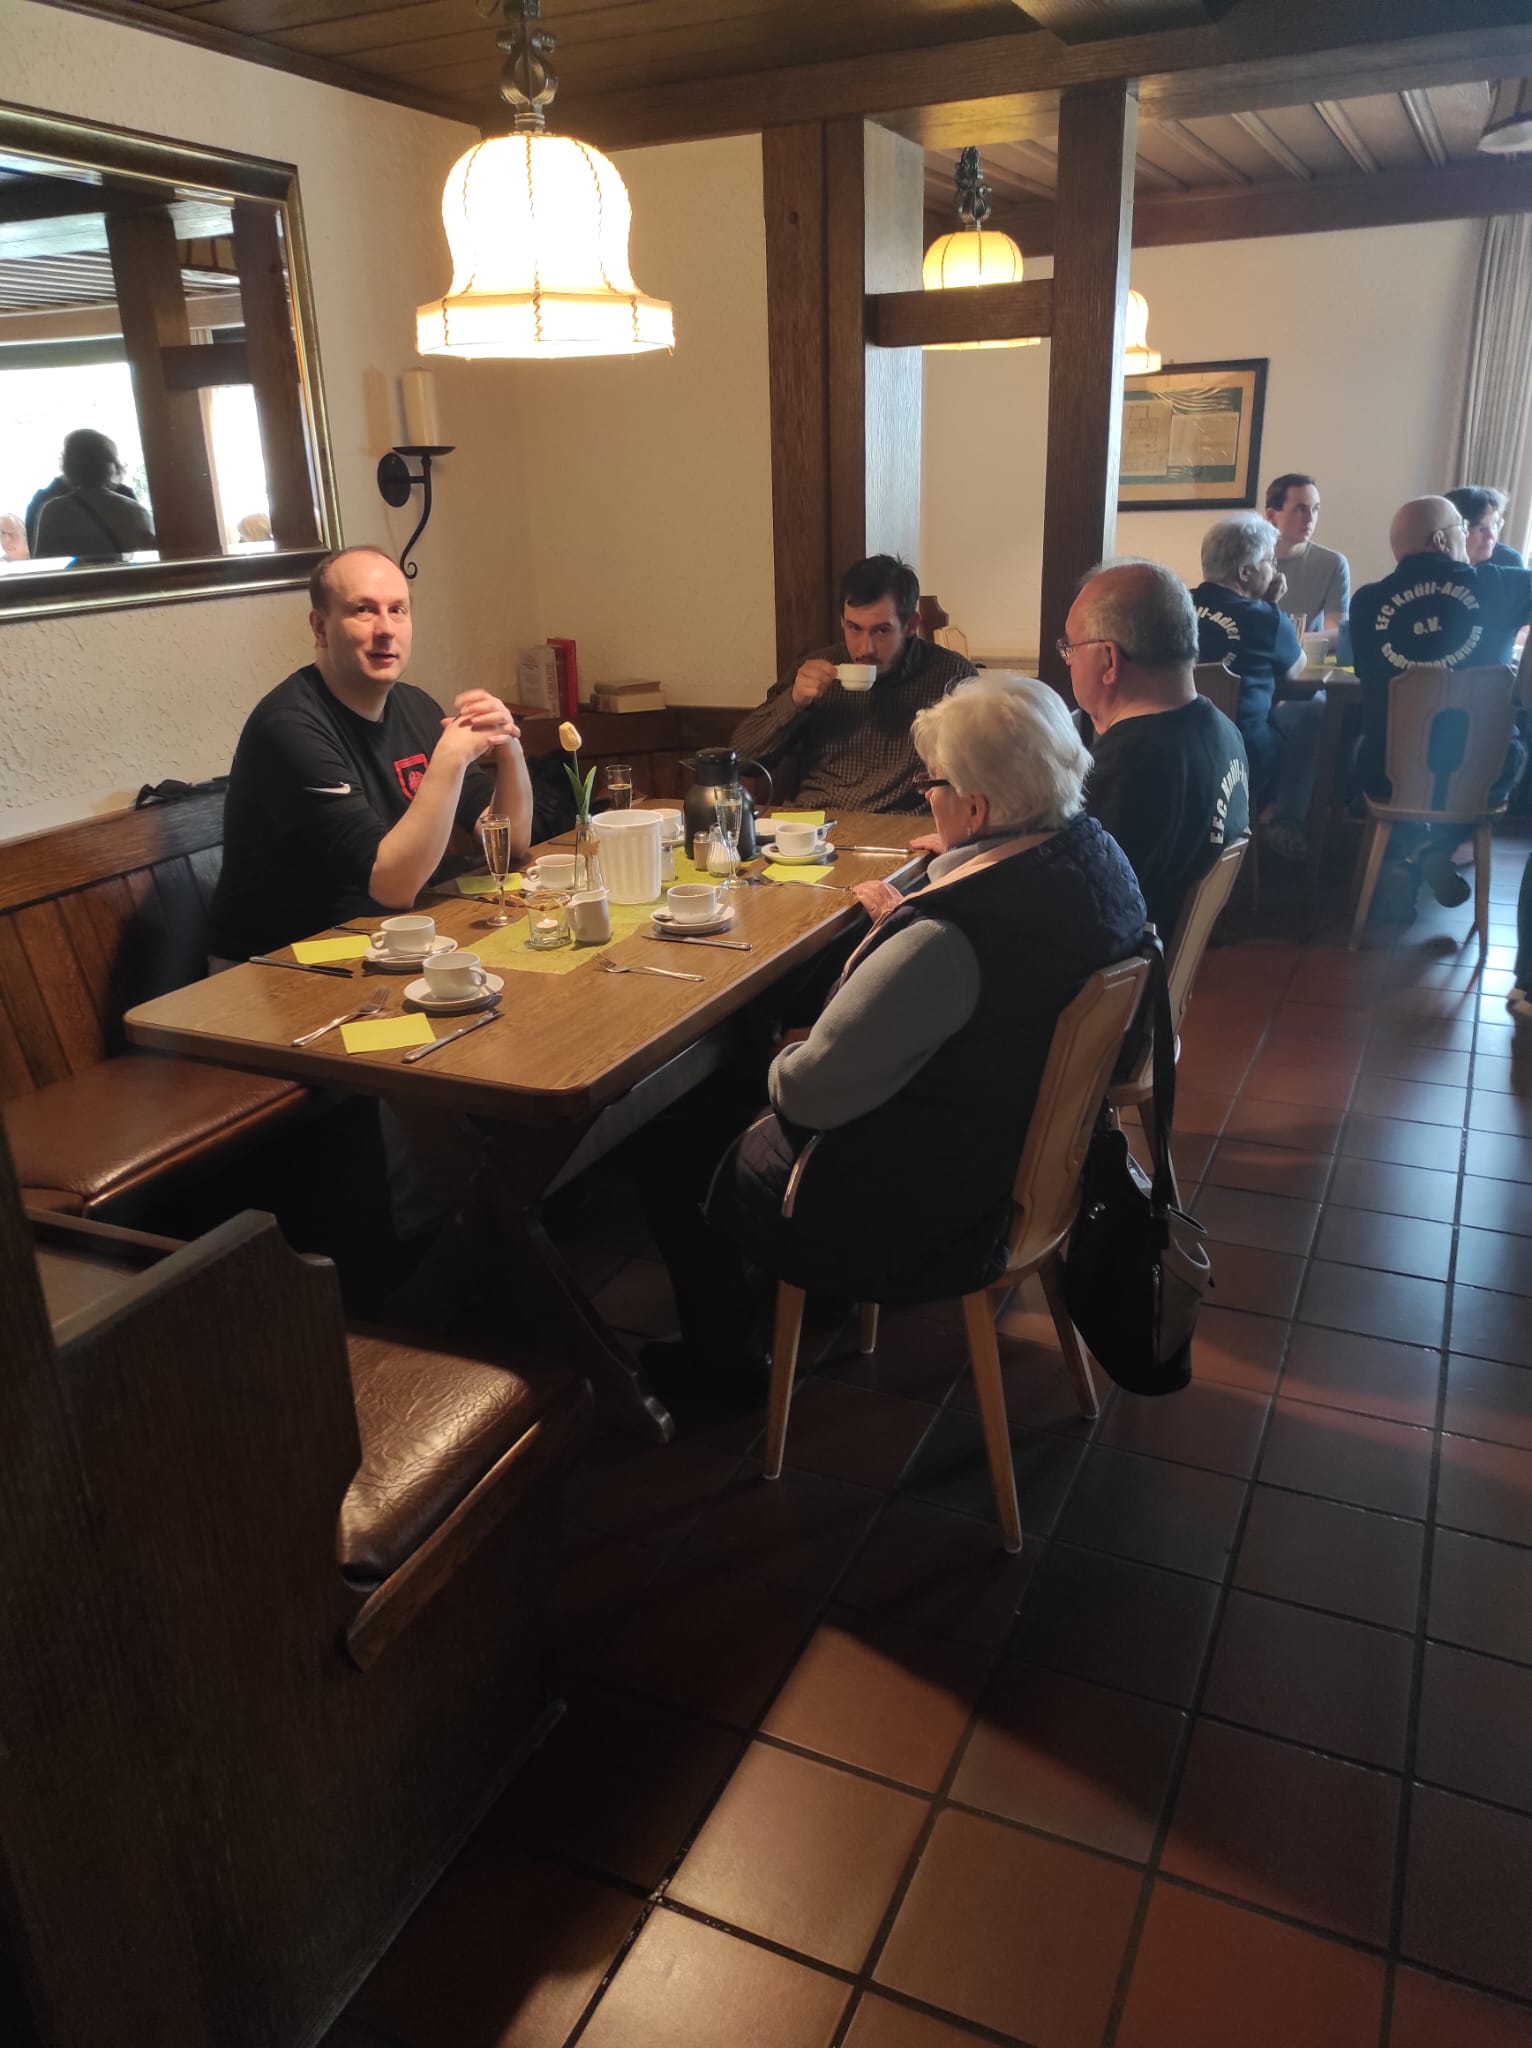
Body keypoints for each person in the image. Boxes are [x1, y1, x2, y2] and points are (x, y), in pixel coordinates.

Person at [702, 675, 1146, 1333]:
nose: (926, 797)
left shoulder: (952, 936)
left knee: (694, 1113)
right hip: (1023, 1168)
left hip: (937, 1209)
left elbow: (808, 1093)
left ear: (976, 809)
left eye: (932, 784)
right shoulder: (1100, 860)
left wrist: (780, 1052)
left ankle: (724, 1350)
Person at [208, 545, 533, 961]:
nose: (386, 629)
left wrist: (508, 744)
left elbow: (509, 842)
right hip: (279, 964)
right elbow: (392, 888)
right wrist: (450, 759)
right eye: (363, 610)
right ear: (320, 628)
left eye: (397, 610)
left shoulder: (416, 706)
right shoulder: (288, 727)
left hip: (378, 939)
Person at [1349, 496, 1532, 911]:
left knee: (1362, 749)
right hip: (1478, 772)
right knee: (1514, 753)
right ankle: (1433, 849)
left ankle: (1407, 856)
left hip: (1390, 770)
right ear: (1441, 540)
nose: (1467, 538)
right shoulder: (1500, 584)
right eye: (1461, 531)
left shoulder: (1365, 602)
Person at [1063, 559, 1249, 937]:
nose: (1068, 661)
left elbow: (1073, 913)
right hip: (1161, 954)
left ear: (1109, 659)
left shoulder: (1127, 768)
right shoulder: (1225, 731)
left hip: (1124, 966)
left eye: (1071, 648)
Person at [730, 555, 976, 814]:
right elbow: (742, 758)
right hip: (816, 821)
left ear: (911, 625)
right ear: (842, 621)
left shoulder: (950, 674)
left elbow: (982, 773)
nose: (864, 648)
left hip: (902, 824)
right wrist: (793, 701)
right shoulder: (817, 668)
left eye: (881, 630)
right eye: (854, 628)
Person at [1191, 512, 1319, 861]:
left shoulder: (1174, 604)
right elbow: (1295, 670)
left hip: (1177, 746)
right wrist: (1269, 606)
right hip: (1242, 754)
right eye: (1269, 562)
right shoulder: (1265, 617)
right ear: (1245, 573)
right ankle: (1279, 821)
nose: (1275, 571)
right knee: (1311, 714)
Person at [30, 430, 155, 561]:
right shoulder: (136, 511)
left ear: (68, 466)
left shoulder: (54, 511)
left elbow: (44, 564)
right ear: (111, 465)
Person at [1265, 472, 1350, 632]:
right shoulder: (1246, 563)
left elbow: (1336, 631)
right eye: (1300, 509)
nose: (1310, 518)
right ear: (1271, 515)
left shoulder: (1332, 564)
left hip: (1308, 648)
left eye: (1315, 509)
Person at [1446, 485, 1526, 570]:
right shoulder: (1439, 563)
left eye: (1494, 525)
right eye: (1481, 528)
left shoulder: (1508, 561)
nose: (1491, 535)